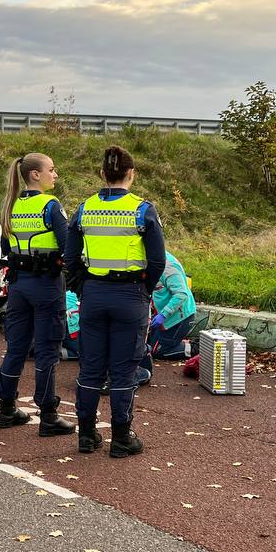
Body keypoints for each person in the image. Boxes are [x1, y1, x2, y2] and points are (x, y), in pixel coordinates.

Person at [65, 145, 166, 457]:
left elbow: (70, 257)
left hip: (94, 294)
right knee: (123, 370)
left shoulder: (84, 209)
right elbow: (158, 261)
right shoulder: (142, 210)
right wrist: (144, 290)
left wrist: (82, 288)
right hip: (130, 295)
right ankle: (121, 437)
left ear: (102, 173)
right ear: (131, 174)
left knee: (91, 367)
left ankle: (86, 435)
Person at [0, 153, 75, 436]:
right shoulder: (50, 205)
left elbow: (5, 247)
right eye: (51, 169)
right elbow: (68, 246)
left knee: (16, 348)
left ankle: (6, 409)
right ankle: (48, 415)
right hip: (46, 285)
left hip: (19, 285)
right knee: (47, 350)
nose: (56, 174)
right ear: (35, 175)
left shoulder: (12, 206)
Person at [136, 250, 196, 385]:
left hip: (180, 318)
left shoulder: (168, 266)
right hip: (165, 317)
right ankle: (178, 342)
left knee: (157, 351)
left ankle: (194, 348)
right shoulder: (149, 260)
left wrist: (164, 315)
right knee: (146, 344)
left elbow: (181, 294)